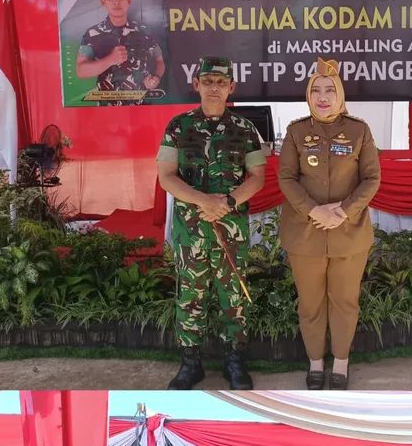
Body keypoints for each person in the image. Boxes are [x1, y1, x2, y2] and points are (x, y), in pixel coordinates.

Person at [157, 56, 267, 390]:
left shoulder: (245, 130)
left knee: (232, 296)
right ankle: (191, 364)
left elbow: (258, 177)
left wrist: (228, 202)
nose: (214, 88)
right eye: (208, 81)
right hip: (191, 229)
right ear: (197, 84)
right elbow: (166, 177)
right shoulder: (178, 127)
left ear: (231, 87)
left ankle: (234, 360)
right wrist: (205, 201)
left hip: (229, 229)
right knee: (190, 296)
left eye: (221, 82)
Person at [278, 57, 381, 390]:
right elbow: (287, 177)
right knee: (310, 303)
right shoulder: (296, 131)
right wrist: (313, 210)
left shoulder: (358, 130)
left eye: (330, 90)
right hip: (305, 235)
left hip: (348, 234)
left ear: (340, 95)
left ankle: (341, 363)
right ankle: (315, 363)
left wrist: (344, 210)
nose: (323, 97)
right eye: (317, 90)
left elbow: (371, 178)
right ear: (309, 96)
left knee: (344, 301)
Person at [75, 0, 165, 104]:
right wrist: (110, 60)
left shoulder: (143, 31)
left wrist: (156, 77)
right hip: (109, 109)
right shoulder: (93, 33)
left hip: (142, 107)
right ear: (102, 2)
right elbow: (81, 70)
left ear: (129, 0)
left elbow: (159, 61)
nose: (116, 2)